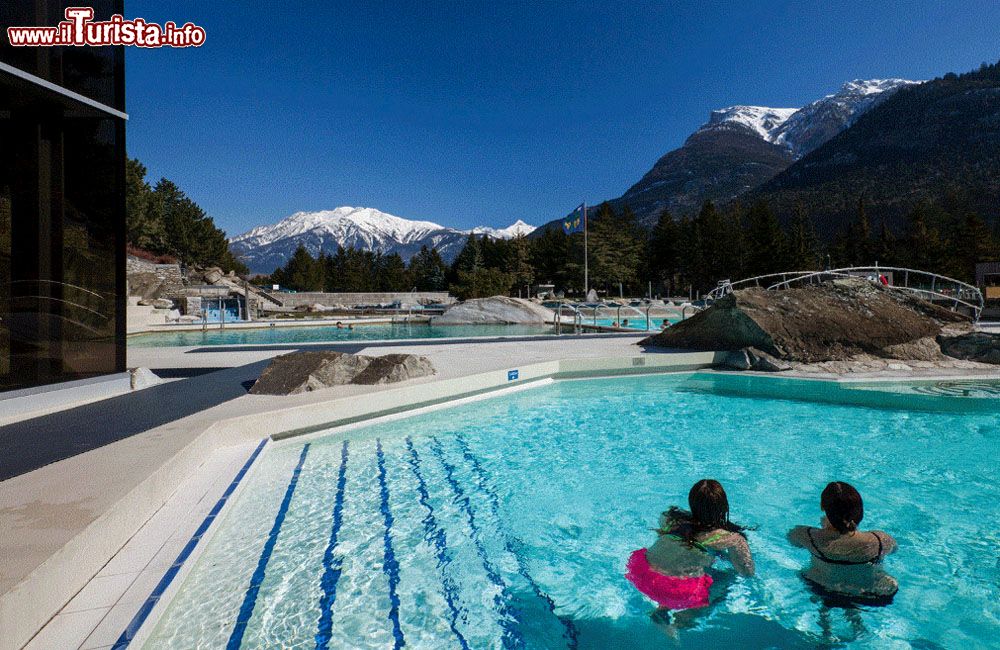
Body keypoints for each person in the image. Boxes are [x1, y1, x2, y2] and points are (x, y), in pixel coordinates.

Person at [626, 479, 755, 612]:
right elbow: (746, 572)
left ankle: (663, 607)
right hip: (676, 592)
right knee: (729, 576)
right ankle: (682, 620)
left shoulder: (669, 518)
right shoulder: (731, 539)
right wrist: (726, 556)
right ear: (723, 506)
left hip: (641, 574)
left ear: (691, 501)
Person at [788, 481, 898, 605]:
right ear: (859, 511)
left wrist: (824, 530)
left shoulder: (807, 535)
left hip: (823, 589)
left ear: (823, 508)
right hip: (871, 594)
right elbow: (894, 549)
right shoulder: (880, 539)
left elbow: (792, 541)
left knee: (803, 574)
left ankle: (824, 615)